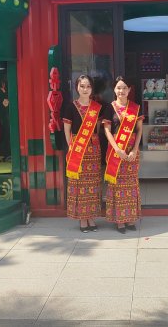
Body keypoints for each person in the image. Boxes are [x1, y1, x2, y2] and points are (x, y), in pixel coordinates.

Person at [102, 76, 143, 234]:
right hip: (116, 152)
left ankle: (131, 218)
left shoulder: (135, 108)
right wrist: (117, 150)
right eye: (119, 88)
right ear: (114, 89)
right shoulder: (109, 108)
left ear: (129, 90)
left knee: (131, 185)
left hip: (132, 152)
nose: (122, 91)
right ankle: (119, 220)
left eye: (125, 88)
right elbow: (107, 130)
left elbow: (139, 130)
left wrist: (135, 150)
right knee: (117, 186)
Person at [63, 75, 103, 233]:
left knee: (93, 184)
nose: (85, 89)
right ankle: (82, 219)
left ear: (92, 88)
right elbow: (67, 130)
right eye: (82, 86)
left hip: (93, 150)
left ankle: (91, 217)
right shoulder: (70, 107)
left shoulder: (97, 107)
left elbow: (97, 129)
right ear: (77, 88)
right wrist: (71, 147)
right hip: (78, 149)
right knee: (80, 185)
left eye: (88, 86)